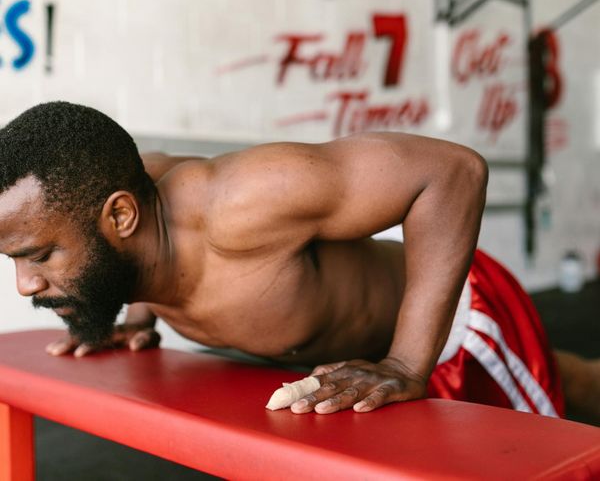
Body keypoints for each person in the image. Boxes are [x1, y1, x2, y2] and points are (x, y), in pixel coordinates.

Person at [0, 101, 597, 421]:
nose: (26, 285)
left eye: (40, 256)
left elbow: (453, 172)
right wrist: (129, 317)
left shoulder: (243, 201)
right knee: (571, 377)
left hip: (458, 330)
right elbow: (127, 231)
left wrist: (405, 362)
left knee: (560, 418)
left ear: (121, 218)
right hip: (361, 363)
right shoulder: (128, 203)